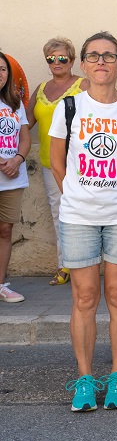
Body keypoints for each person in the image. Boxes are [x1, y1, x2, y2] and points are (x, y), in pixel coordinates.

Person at [49, 32, 117, 411]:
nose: (101, 62)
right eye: (93, 56)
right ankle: (84, 378)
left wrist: (116, 193)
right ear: (83, 65)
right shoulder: (69, 108)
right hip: (78, 216)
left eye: (109, 56)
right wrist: (80, 195)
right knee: (85, 296)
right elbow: (57, 163)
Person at [26, 37, 88, 286]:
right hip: (50, 164)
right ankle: (65, 265)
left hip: (81, 162)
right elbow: (24, 124)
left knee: (85, 212)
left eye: (62, 57)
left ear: (72, 60)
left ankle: (86, 263)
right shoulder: (41, 90)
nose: (57, 62)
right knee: (59, 213)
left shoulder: (84, 85)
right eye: (51, 58)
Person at [0, 53, 30, 304]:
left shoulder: (15, 103)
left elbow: (25, 137)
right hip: (4, 169)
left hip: (12, 177)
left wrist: (18, 159)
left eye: (2, 69)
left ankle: (0, 285)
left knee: (5, 230)